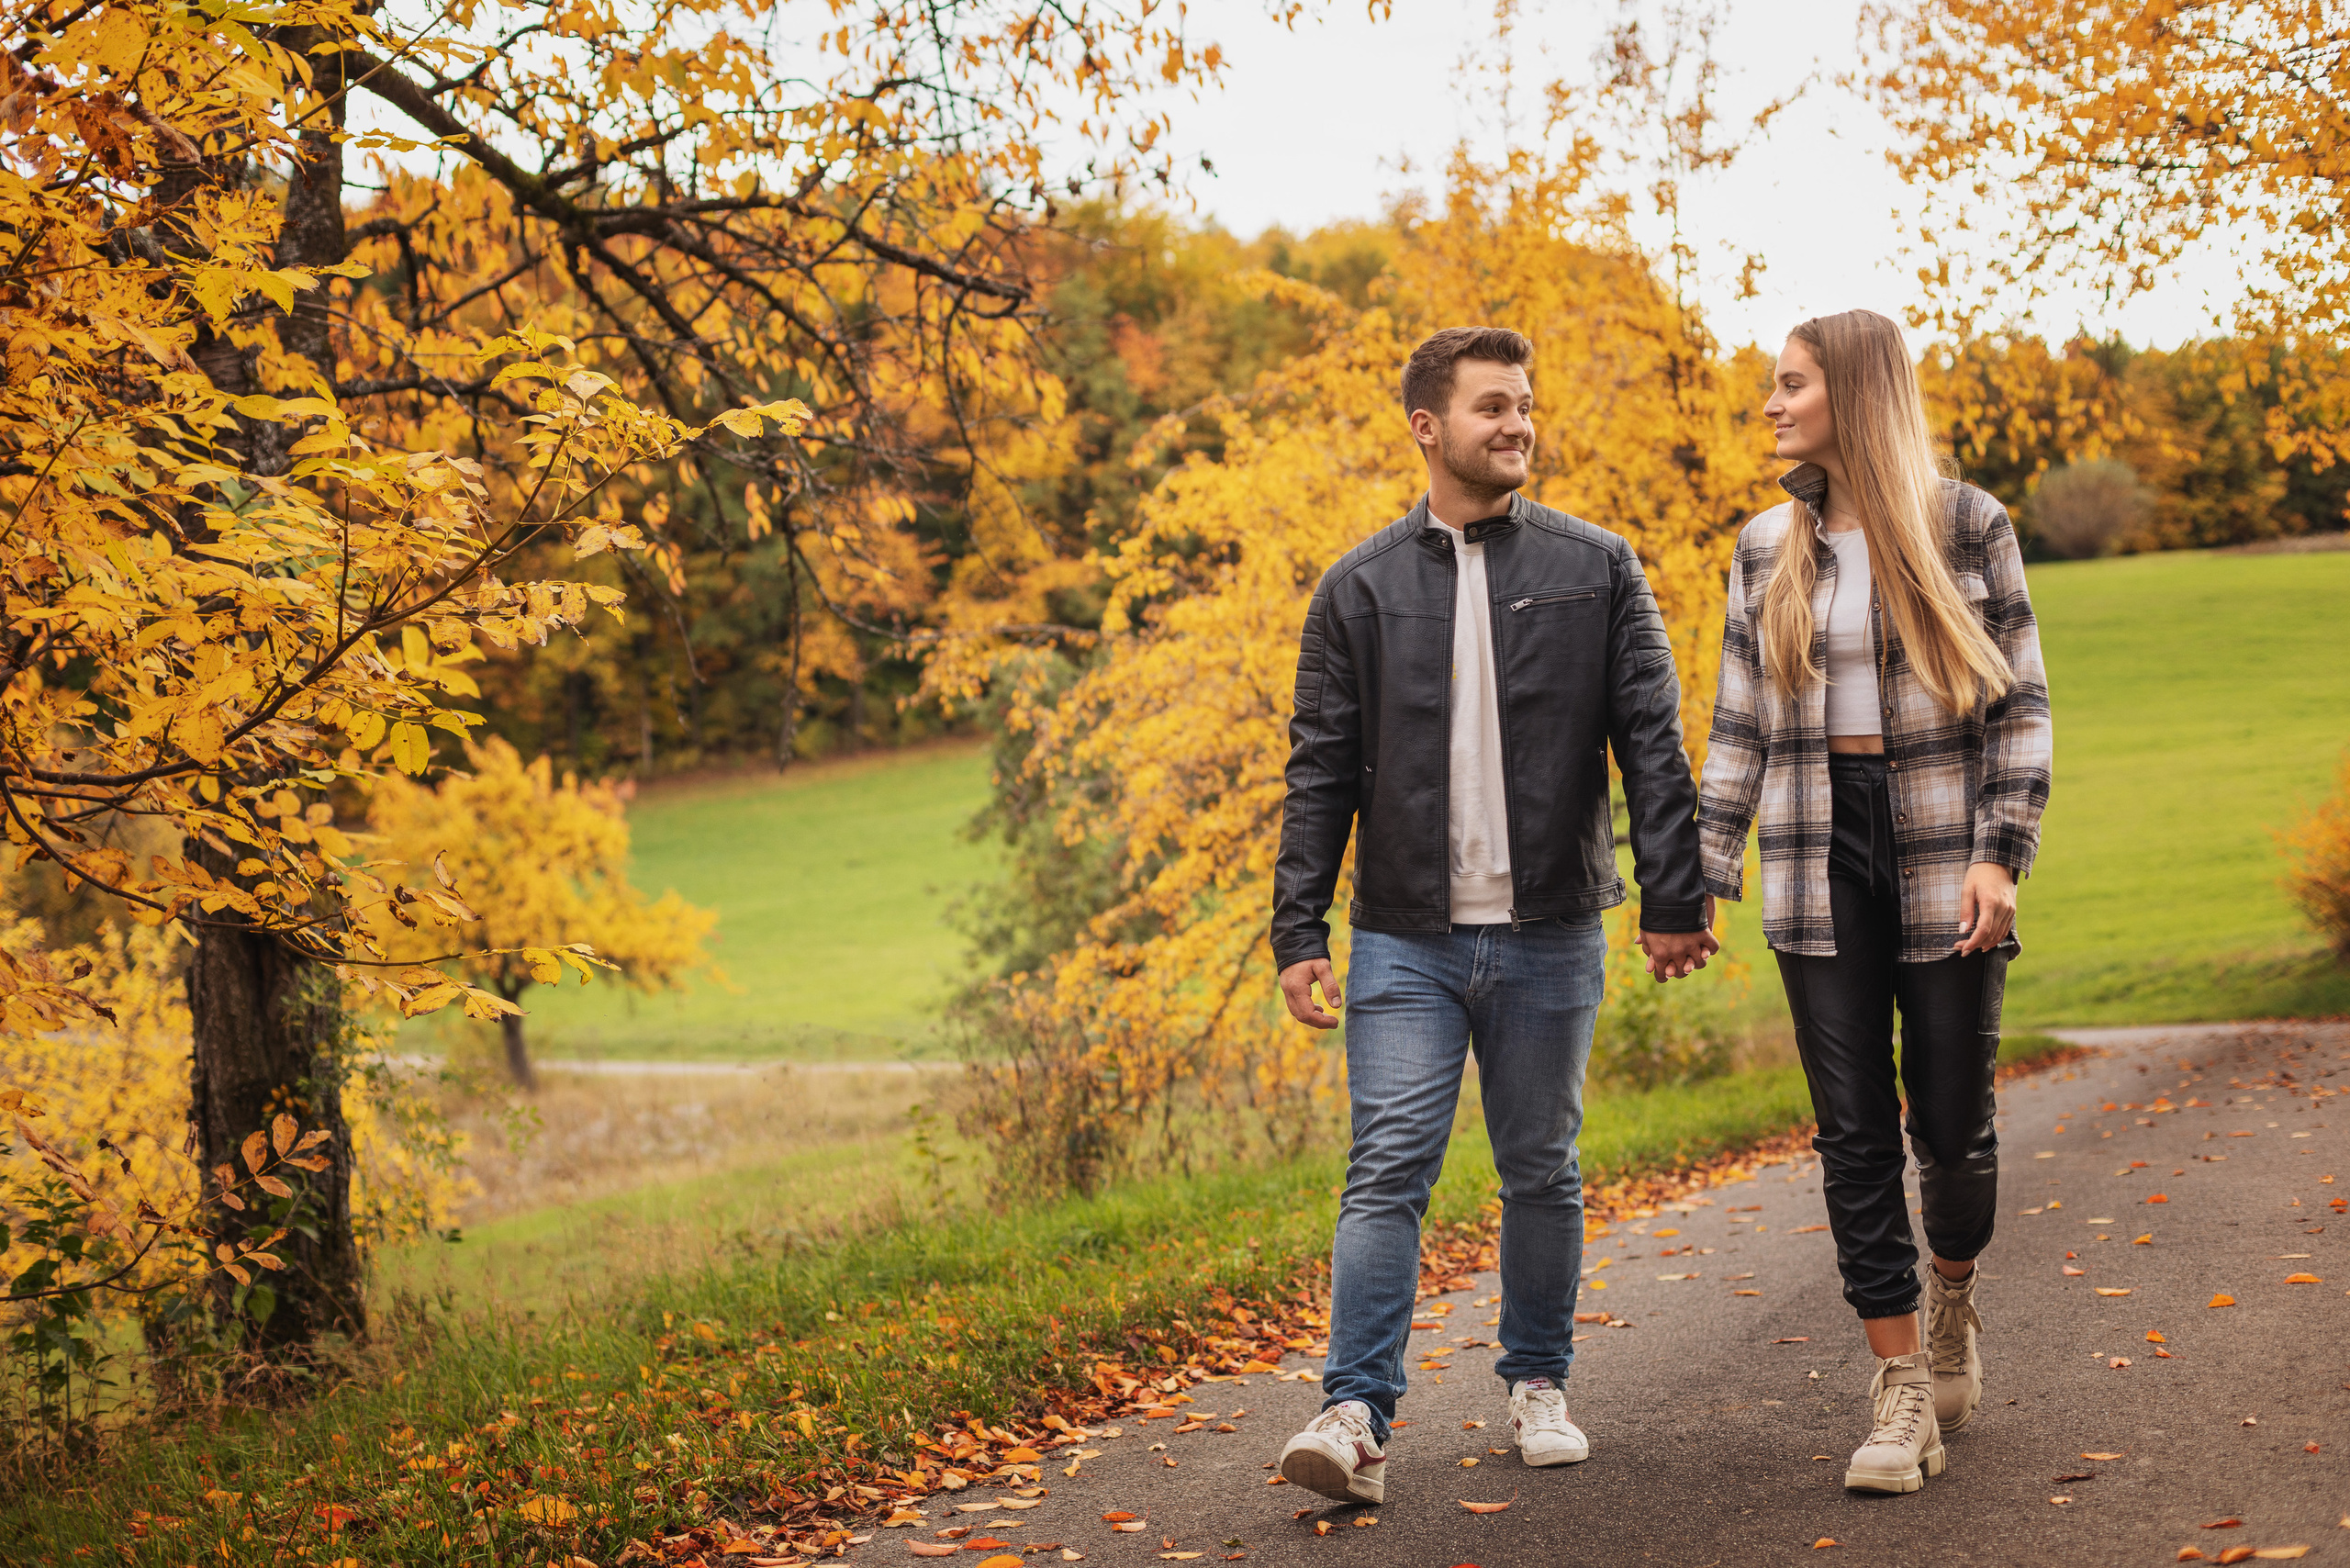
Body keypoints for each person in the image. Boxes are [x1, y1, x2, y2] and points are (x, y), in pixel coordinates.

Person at [1268, 325, 1717, 1506]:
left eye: (1523, 404)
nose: (1516, 423)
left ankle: (1537, 1383)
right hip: (1402, 937)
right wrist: (1298, 930)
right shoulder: (1356, 588)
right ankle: (1354, 1414)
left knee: (1540, 1166)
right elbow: (1318, 769)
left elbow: (1651, 743)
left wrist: (1674, 894)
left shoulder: (1597, 566)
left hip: (1550, 928)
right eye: (1491, 407)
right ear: (1428, 427)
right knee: (1386, 1167)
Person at [1698, 308, 2052, 1495]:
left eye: (1790, 383)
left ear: (1851, 392)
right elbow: (1738, 726)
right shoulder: (1764, 547)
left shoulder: (1966, 525)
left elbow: (2021, 707)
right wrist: (1700, 876)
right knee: (1850, 1128)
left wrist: (1999, 855)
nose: (1771, 403)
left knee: (1950, 1126)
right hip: (1815, 847)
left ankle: (1950, 1296)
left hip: (1944, 843)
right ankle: (1899, 1386)